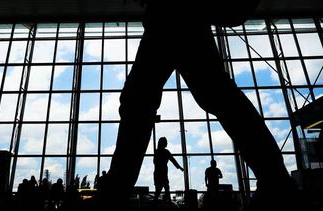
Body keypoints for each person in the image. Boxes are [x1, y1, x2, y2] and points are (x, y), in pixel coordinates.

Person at [99, 0, 298, 208]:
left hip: (169, 19)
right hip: (184, 19)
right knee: (217, 95)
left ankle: (115, 190)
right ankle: (275, 178)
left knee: (140, 100)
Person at [153, 137, 184, 201]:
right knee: (166, 188)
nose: (167, 143)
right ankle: (169, 202)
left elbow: (154, 162)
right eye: (166, 142)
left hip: (157, 173)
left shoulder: (157, 151)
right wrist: (179, 167)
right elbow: (173, 160)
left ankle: (155, 204)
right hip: (163, 173)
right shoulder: (166, 152)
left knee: (158, 191)